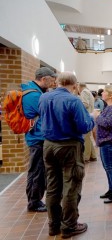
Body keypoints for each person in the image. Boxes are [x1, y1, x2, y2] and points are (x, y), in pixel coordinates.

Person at [39, 72, 95, 238]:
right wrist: (92, 118)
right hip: (69, 146)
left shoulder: (44, 98)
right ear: (75, 85)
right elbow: (84, 126)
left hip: (48, 145)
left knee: (52, 186)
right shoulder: (73, 100)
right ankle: (69, 226)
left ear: (57, 82)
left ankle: (53, 224)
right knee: (70, 186)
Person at [21, 67, 57, 213]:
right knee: (37, 171)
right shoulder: (34, 95)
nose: (53, 82)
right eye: (52, 79)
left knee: (38, 170)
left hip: (37, 137)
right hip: (37, 139)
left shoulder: (35, 91)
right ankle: (34, 202)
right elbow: (49, 113)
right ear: (43, 79)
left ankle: (35, 199)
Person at [94, 85, 112, 203]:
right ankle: (111, 190)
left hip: (109, 142)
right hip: (106, 141)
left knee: (110, 168)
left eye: (104, 92)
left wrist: (97, 116)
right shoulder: (109, 106)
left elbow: (107, 123)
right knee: (108, 168)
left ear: (110, 95)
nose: (102, 93)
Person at [79, 83, 97, 162]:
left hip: (86, 117)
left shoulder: (84, 92)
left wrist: (77, 104)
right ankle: (93, 156)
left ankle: (86, 157)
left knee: (86, 138)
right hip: (89, 116)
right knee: (88, 137)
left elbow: (85, 104)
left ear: (79, 86)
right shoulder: (88, 92)